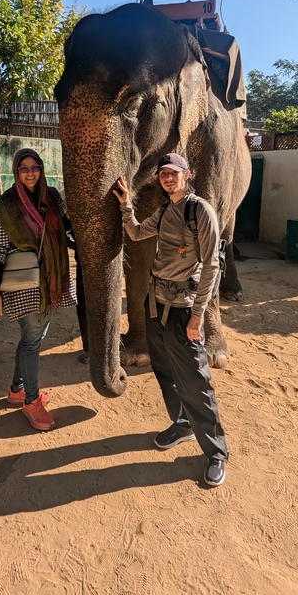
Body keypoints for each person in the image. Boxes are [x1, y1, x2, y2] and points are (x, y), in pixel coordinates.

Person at [113, 153, 228, 487]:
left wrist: (198, 316)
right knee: (164, 371)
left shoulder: (200, 211)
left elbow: (212, 266)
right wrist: (125, 205)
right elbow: (135, 234)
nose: (167, 178)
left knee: (195, 381)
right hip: (156, 305)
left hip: (183, 310)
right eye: (163, 173)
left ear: (186, 175)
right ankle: (182, 424)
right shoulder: (163, 211)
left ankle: (216, 453)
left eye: (173, 173)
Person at [0, 148, 77, 431]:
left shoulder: (52, 196)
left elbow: (65, 228)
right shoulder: (5, 205)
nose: (29, 173)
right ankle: (30, 400)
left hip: (52, 277)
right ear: (16, 171)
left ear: (40, 168)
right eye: (23, 168)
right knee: (32, 340)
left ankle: (16, 389)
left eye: (34, 167)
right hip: (25, 282)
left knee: (31, 337)